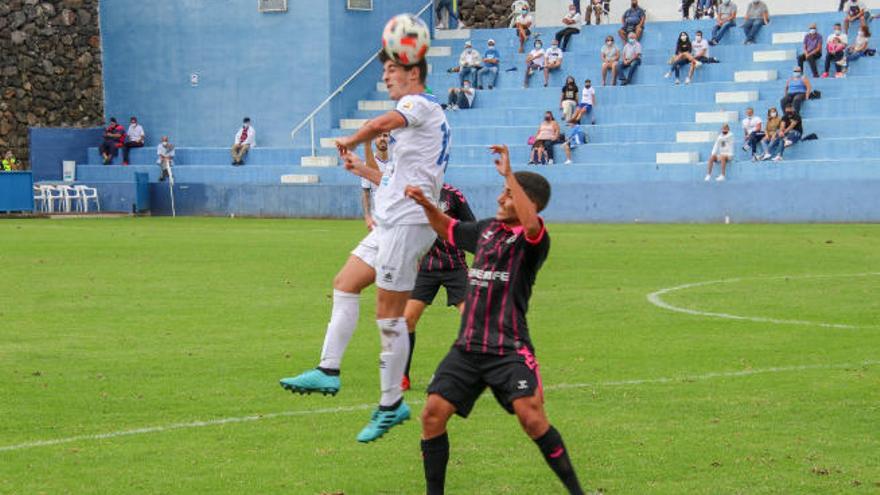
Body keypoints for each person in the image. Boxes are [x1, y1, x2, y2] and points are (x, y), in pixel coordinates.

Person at [280, 49, 447, 444]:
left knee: (389, 313)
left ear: (413, 73)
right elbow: (392, 177)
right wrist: (363, 169)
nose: (386, 77)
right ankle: (328, 370)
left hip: (408, 223)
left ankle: (391, 404)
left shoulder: (418, 104)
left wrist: (353, 138)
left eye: (392, 70)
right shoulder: (414, 128)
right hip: (390, 221)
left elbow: (383, 121)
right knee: (345, 281)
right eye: (385, 70)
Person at [407, 145, 585, 495]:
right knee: (432, 414)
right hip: (468, 347)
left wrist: (509, 175)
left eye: (508, 194)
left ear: (526, 202)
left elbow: (531, 223)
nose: (501, 198)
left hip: (509, 347)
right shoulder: (486, 230)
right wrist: (426, 205)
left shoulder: (533, 240)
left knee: (531, 418)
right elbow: (448, 228)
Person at [401, 183, 475, 391]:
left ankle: (463, 374)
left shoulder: (453, 194)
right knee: (406, 320)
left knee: (471, 322)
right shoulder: (411, 193)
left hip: (454, 266)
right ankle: (402, 376)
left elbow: (471, 227)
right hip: (425, 267)